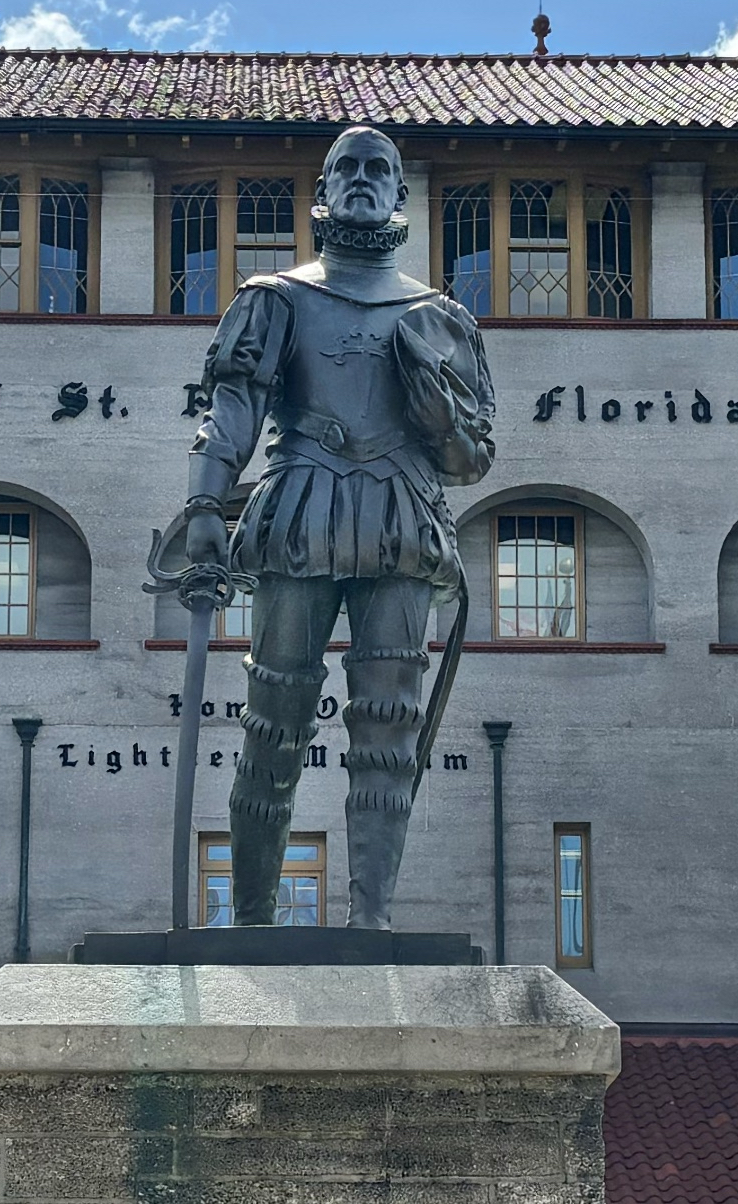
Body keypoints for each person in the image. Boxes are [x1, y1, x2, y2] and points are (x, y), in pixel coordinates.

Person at [181, 124, 495, 930]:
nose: (361, 179)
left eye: (378, 169)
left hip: (401, 516)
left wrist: (442, 420)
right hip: (301, 509)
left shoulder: (444, 319)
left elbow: (473, 459)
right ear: (322, 192)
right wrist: (204, 508)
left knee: (388, 728)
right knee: (273, 721)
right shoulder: (276, 298)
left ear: (400, 196)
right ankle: (252, 920)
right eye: (346, 167)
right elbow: (232, 410)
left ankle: (371, 922)